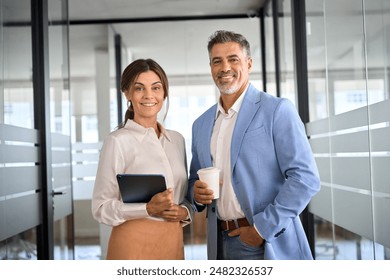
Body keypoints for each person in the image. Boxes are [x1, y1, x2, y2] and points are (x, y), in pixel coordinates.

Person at [187, 30, 321, 260]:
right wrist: (196, 193)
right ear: (210, 67)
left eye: (233, 59)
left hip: (263, 241)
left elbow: (305, 178)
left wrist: (260, 230)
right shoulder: (200, 125)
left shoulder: (277, 110)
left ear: (248, 64)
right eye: (217, 61)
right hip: (217, 244)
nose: (225, 67)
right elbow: (193, 182)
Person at [92, 58, 191, 260]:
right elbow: (100, 208)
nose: (149, 95)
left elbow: (183, 196)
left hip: (173, 241)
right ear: (127, 93)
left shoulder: (177, 141)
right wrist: (146, 208)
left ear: (164, 93)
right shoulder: (117, 141)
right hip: (132, 244)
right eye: (139, 88)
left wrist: (185, 213)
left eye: (156, 88)